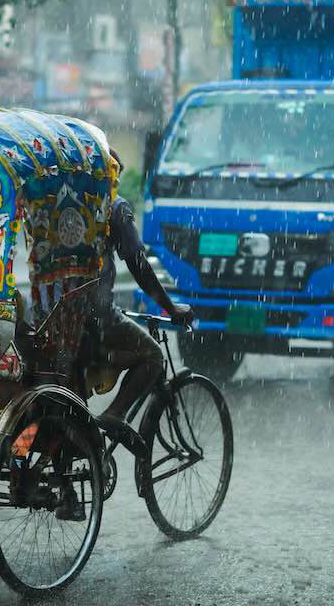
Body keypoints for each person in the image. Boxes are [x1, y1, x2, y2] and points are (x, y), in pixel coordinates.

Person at [92, 152, 192, 452]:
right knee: (152, 356)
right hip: (94, 317)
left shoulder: (57, 203)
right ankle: (115, 413)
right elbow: (139, 265)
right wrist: (170, 307)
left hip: (52, 315)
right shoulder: (114, 207)